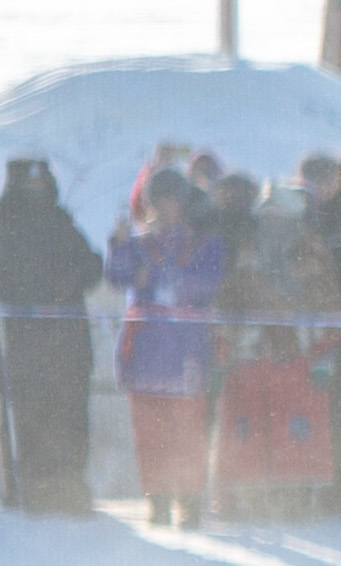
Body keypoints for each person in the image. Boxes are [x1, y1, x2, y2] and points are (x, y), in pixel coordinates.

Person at [106, 169, 225, 528]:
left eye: (173, 201)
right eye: (158, 202)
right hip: (146, 351)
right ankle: (156, 500)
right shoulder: (138, 243)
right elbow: (116, 276)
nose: (165, 210)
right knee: (150, 430)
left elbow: (212, 281)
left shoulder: (204, 243)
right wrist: (118, 244)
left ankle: (188, 501)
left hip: (187, 350)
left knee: (188, 430)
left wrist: (177, 283)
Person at [0, 159, 98, 513]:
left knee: (70, 415)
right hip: (25, 345)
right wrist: (34, 290)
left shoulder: (62, 222)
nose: (36, 188)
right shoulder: (6, 225)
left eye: (42, 180)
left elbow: (90, 265)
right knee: (30, 415)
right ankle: (32, 488)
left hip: (68, 342)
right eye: (29, 181)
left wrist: (66, 282)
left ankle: (70, 486)